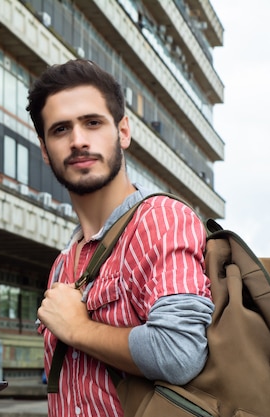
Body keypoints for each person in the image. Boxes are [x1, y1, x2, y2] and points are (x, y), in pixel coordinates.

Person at [27, 59, 214, 416]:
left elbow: (179, 352)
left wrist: (78, 328)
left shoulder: (159, 220)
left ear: (123, 132)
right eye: (61, 129)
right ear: (44, 149)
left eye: (93, 123)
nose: (78, 140)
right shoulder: (63, 264)